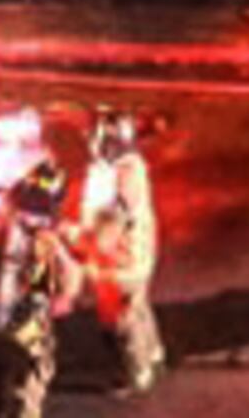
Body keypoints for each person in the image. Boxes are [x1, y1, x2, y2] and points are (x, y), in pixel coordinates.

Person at [0, 159, 86, 418]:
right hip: (29, 328)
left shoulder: (0, 232)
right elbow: (70, 280)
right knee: (26, 388)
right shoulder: (47, 240)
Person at [77, 108, 165, 396]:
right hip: (136, 255)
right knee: (138, 305)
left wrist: (82, 242)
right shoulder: (130, 166)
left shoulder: (123, 176)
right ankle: (153, 355)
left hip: (122, 263)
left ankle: (136, 372)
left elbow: (108, 228)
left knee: (121, 320)